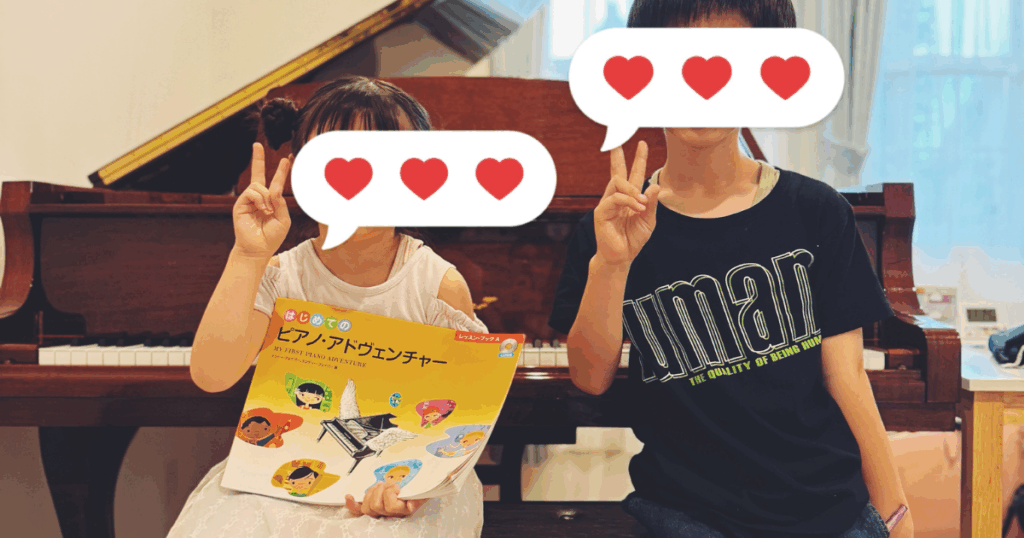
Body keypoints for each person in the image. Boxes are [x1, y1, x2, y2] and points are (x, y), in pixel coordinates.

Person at [548, 1, 913, 537]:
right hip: (685, 514)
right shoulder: (611, 226)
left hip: (827, 509)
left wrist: (895, 511)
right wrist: (611, 265)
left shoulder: (816, 210)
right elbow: (589, 377)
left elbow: (847, 376)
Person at [169, 76, 487, 538]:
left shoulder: (437, 284)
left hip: (402, 483)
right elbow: (212, 374)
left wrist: (414, 485)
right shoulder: (278, 273)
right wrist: (248, 255)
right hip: (284, 478)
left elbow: (465, 415)